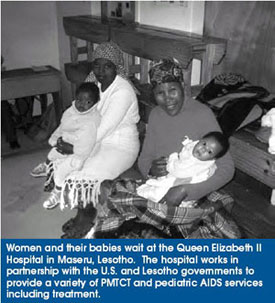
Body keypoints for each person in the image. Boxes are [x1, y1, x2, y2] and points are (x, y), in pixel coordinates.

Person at [35, 42, 140, 238]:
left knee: (85, 175)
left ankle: (85, 219)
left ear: (116, 66)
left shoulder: (123, 91)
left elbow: (102, 128)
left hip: (120, 147)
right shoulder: (96, 86)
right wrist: (63, 138)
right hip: (95, 141)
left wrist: (74, 147)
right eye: (97, 65)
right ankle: (84, 213)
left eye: (107, 66)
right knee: (69, 165)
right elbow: (80, 117)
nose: (100, 71)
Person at [138, 58, 235, 207]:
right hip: (160, 185)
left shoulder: (201, 113)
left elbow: (227, 168)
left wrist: (186, 190)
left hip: (193, 191)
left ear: (182, 86)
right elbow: (144, 159)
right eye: (160, 93)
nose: (167, 99)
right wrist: (150, 170)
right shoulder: (156, 114)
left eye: (172, 90)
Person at [40, 82, 101, 209]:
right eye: (79, 100)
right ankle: (46, 166)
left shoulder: (91, 121)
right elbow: (62, 127)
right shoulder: (70, 111)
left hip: (79, 153)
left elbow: (86, 145)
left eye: (87, 102)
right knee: (51, 154)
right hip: (66, 143)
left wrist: (73, 150)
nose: (81, 104)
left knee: (61, 171)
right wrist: (55, 139)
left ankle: (57, 192)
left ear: (95, 103)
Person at [137, 131, 229, 207]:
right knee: (154, 184)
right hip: (173, 176)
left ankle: (145, 201)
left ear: (213, 158)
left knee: (156, 193)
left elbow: (178, 172)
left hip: (182, 185)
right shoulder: (193, 148)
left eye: (209, 151)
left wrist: (173, 158)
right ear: (199, 141)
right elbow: (187, 148)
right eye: (204, 144)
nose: (203, 149)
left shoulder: (200, 165)